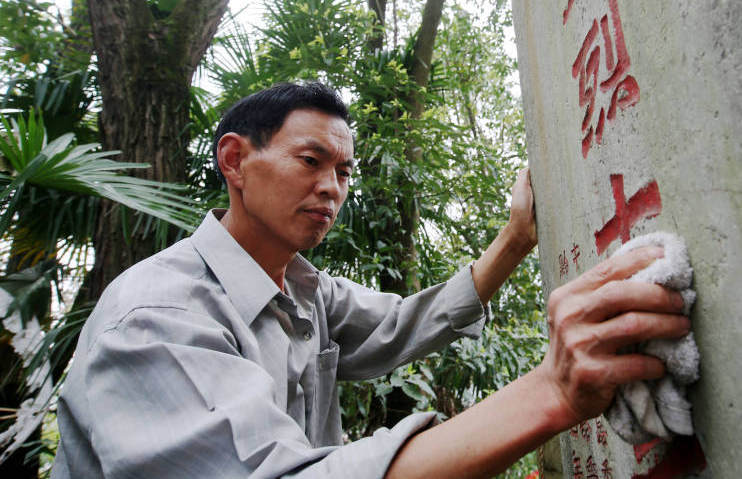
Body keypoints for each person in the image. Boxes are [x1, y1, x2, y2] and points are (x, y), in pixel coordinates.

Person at [53, 81, 690, 478]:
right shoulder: (157, 316)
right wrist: (553, 389)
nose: (331, 188)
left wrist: (516, 239)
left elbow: (399, 324)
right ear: (235, 161)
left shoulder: (304, 291)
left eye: (345, 171)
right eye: (311, 161)